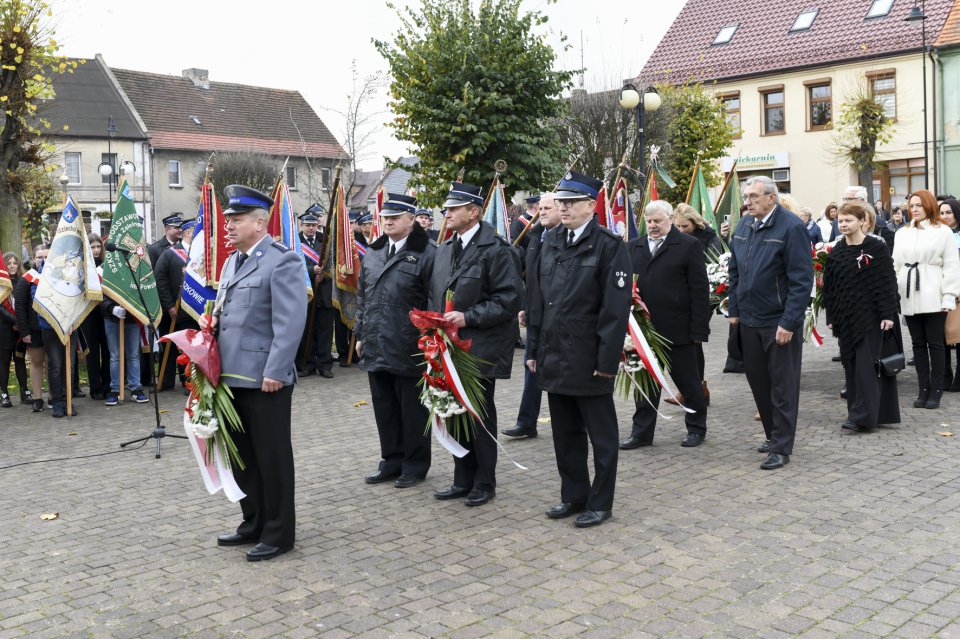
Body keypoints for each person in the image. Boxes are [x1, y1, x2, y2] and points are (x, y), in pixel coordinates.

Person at [203, 184, 307, 562]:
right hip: (231, 376)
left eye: (237, 219)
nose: (228, 225)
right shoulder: (233, 261)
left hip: (265, 378)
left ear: (260, 223)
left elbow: (291, 322)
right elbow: (229, 310)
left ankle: (279, 533)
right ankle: (254, 523)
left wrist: (277, 370)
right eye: (228, 219)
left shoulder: (283, 261)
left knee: (272, 456)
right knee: (242, 456)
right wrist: (210, 321)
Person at [526, 171, 631, 527]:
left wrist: (606, 361)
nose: (563, 207)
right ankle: (573, 495)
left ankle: (600, 502)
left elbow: (614, 311)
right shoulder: (549, 240)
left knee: (602, 438)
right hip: (554, 355)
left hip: (588, 357)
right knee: (565, 435)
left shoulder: (609, 245)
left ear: (591, 205)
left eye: (571, 201)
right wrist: (533, 349)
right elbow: (539, 301)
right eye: (561, 201)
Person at [429, 181, 522, 508]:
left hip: (479, 348)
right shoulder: (444, 249)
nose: (447, 214)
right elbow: (435, 297)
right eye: (446, 209)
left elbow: (508, 300)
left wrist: (467, 318)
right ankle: (462, 478)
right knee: (454, 413)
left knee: (479, 416)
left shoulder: (496, 250)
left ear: (474, 211)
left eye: (454, 208)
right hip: (447, 349)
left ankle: (484, 481)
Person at [728, 176, 813, 470]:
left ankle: (781, 446)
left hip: (778, 320)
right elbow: (735, 270)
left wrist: (789, 322)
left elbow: (802, 281)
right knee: (759, 383)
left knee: (782, 386)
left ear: (771, 198)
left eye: (753, 196)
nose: (747, 201)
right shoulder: (744, 225)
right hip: (750, 320)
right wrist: (734, 311)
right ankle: (771, 435)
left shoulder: (791, 228)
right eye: (746, 196)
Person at [356, 193, 436, 488]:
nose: (387, 221)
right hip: (376, 339)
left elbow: (434, 300)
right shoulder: (375, 252)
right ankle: (391, 460)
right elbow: (364, 295)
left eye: (394, 217)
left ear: (411, 220)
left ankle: (415, 465)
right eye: (384, 217)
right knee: (385, 407)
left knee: (412, 408)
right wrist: (360, 334)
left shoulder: (429, 253)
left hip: (409, 343)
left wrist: (430, 341)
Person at [621, 200, 711, 449]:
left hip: (678, 330)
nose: (653, 226)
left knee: (688, 383)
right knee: (645, 385)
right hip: (643, 331)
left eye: (658, 221)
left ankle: (696, 428)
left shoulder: (688, 245)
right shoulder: (633, 247)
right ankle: (641, 433)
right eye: (649, 221)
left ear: (670, 219)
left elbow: (699, 289)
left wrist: (699, 329)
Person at [823, 202, 901, 432]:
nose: (844, 224)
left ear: (862, 221)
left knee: (867, 367)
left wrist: (888, 313)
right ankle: (864, 413)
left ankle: (862, 417)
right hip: (847, 319)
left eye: (849, 220)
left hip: (872, 317)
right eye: (841, 221)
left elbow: (887, 282)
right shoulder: (836, 252)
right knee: (851, 366)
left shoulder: (876, 248)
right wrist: (832, 315)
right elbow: (830, 288)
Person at [892, 189, 960, 409]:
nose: (914, 209)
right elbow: (895, 264)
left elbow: (951, 266)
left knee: (936, 344)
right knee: (918, 344)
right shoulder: (902, 232)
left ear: (929, 205)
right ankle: (923, 388)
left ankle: (937, 389)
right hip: (909, 292)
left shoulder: (943, 232)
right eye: (911, 206)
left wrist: (949, 295)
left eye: (919, 205)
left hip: (933, 292)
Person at [502, 193, 559, 439]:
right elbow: (531, 277)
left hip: (558, 317)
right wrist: (525, 305)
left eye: (547, 208)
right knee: (531, 369)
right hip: (537, 315)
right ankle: (526, 422)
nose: (541, 212)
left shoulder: (565, 239)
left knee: (558, 371)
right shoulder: (536, 235)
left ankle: (566, 424)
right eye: (540, 208)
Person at [154, 219, 197, 392]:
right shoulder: (170, 253)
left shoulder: (199, 254)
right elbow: (160, 279)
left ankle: (189, 381)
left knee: (189, 347)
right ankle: (166, 381)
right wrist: (169, 304)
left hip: (192, 311)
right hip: (172, 309)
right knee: (170, 348)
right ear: (188, 233)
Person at [296, 205, 336, 379]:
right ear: (302, 225)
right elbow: (293, 265)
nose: (311, 228)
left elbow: (332, 265)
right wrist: (312, 270)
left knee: (325, 331)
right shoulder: (295, 242)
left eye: (313, 225)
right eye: (307, 225)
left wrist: (324, 274)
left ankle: (324, 365)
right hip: (305, 293)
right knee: (306, 332)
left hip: (325, 293)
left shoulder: (326, 241)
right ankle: (307, 364)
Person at [100, 295, 149, 406]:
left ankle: (136, 388)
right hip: (111, 318)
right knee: (115, 356)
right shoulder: (109, 276)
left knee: (133, 355)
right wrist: (112, 308)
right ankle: (115, 390)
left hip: (132, 318)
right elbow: (99, 293)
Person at [78, 235, 110, 400]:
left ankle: (107, 385)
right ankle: (95, 388)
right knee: (92, 352)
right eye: (92, 247)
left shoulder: (107, 266)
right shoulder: (82, 268)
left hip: (106, 313)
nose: (96, 250)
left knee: (107, 350)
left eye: (98, 246)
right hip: (89, 314)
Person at [14, 245, 45, 411]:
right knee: (36, 362)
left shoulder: (55, 277)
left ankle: (55, 397)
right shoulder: (26, 279)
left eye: (46, 257)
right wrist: (24, 332)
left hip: (52, 329)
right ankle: (38, 398)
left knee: (53, 363)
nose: (43, 260)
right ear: (33, 259)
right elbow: (20, 307)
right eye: (39, 257)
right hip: (33, 330)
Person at [1, 252, 30, 407]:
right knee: (4, 361)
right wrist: (14, 321)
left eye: (15, 263)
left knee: (20, 359)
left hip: (20, 328)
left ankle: (24, 391)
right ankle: (4, 394)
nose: (12, 266)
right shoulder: (1, 282)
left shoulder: (23, 281)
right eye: (9, 263)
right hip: (4, 327)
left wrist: (21, 324)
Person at [938, 198, 960, 392]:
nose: (944, 217)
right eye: (941, 213)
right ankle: (944, 375)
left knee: (958, 336)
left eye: (948, 213)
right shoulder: (937, 235)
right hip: (938, 291)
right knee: (940, 337)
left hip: (958, 292)